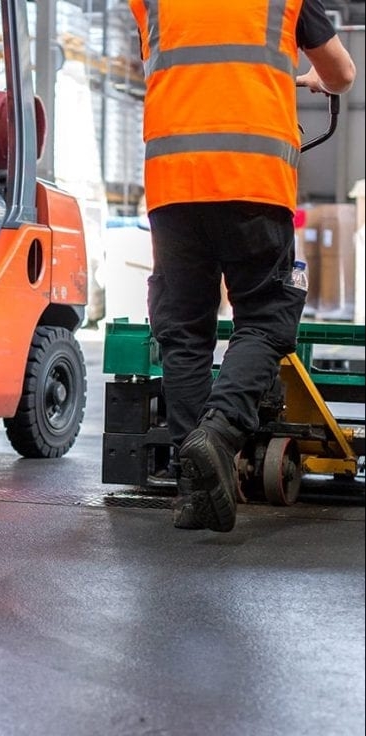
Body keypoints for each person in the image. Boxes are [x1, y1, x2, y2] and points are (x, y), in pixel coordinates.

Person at [128, 0, 356, 532]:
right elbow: (342, 73)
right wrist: (310, 80)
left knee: (184, 333)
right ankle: (222, 430)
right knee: (264, 319)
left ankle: (195, 492)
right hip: (253, 177)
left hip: (173, 181)